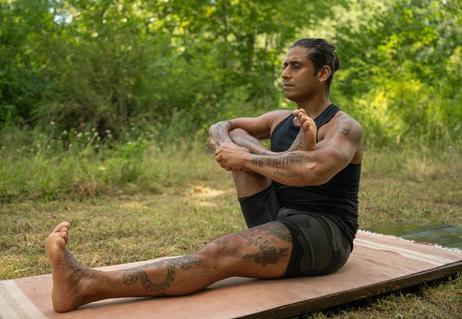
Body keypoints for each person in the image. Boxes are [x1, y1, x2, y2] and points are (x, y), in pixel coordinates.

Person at [45, 38, 363, 312]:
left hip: (323, 231)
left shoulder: (344, 127)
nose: (284, 74)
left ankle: (84, 284)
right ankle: (289, 151)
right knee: (238, 136)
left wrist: (247, 158)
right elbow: (220, 127)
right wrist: (237, 152)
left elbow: (315, 170)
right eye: (284, 66)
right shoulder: (278, 118)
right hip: (275, 213)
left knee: (218, 254)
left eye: (296, 66)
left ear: (323, 73)